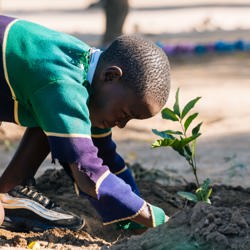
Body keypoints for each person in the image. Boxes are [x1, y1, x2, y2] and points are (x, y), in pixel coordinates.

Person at [0, 15, 171, 232]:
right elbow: (88, 172)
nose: (122, 125)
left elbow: (103, 156)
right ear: (111, 76)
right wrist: (155, 218)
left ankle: (10, 191)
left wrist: (134, 210)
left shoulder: (88, 71)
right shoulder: (63, 84)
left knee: (56, 123)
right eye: (125, 113)